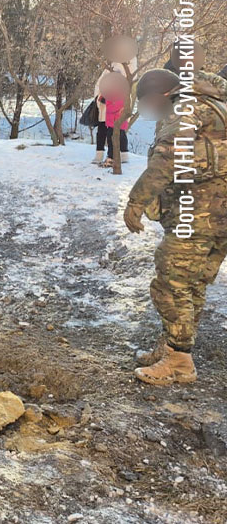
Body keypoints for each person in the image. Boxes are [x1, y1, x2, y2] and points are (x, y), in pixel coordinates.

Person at [124, 68, 227, 386]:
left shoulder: (182, 110)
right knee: (192, 285)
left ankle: (179, 362)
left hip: (196, 216)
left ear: (160, 96)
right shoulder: (212, 105)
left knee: (170, 286)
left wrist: (136, 202)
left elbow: (166, 161)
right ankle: (172, 347)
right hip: (218, 217)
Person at [97, 71, 130, 167]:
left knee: (112, 138)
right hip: (117, 119)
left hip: (115, 119)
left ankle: (111, 157)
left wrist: (104, 99)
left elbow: (115, 104)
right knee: (120, 136)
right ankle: (122, 155)